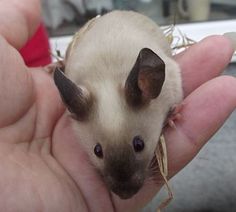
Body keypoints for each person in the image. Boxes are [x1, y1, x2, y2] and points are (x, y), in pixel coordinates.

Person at [0, 0, 236, 211]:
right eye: (98, 152)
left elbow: (171, 74)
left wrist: (170, 108)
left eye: (138, 144)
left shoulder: (151, 84)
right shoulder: (77, 72)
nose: (124, 187)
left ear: (149, 87)